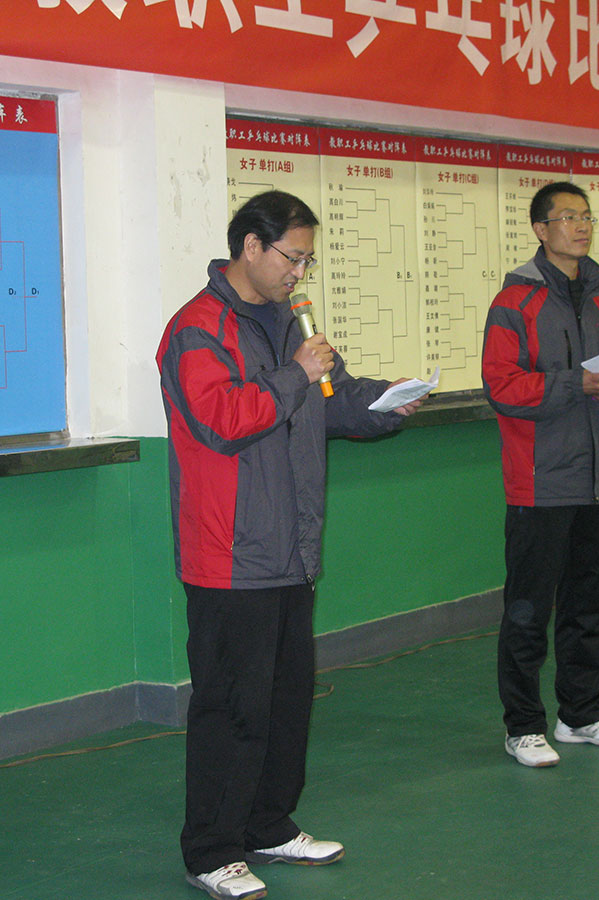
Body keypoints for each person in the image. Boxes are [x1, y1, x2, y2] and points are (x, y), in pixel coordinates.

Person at [156, 190, 423, 899]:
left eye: (307, 260)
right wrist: (296, 372)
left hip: (291, 547)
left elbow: (330, 401)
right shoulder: (197, 329)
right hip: (230, 552)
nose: (300, 273)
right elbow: (222, 420)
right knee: (232, 707)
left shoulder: (289, 322)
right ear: (251, 246)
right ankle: (211, 850)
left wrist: (388, 402)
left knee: (284, 700)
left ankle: (268, 824)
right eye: (293, 258)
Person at [481, 181, 599, 769]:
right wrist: (578, 383)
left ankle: (582, 715)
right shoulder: (514, 301)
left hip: (595, 477)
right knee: (528, 610)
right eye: (568, 217)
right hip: (540, 480)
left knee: (585, 606)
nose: (581, 226)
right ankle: (523, 726)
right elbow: (502, 386)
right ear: (540, 230)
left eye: (587, 216)